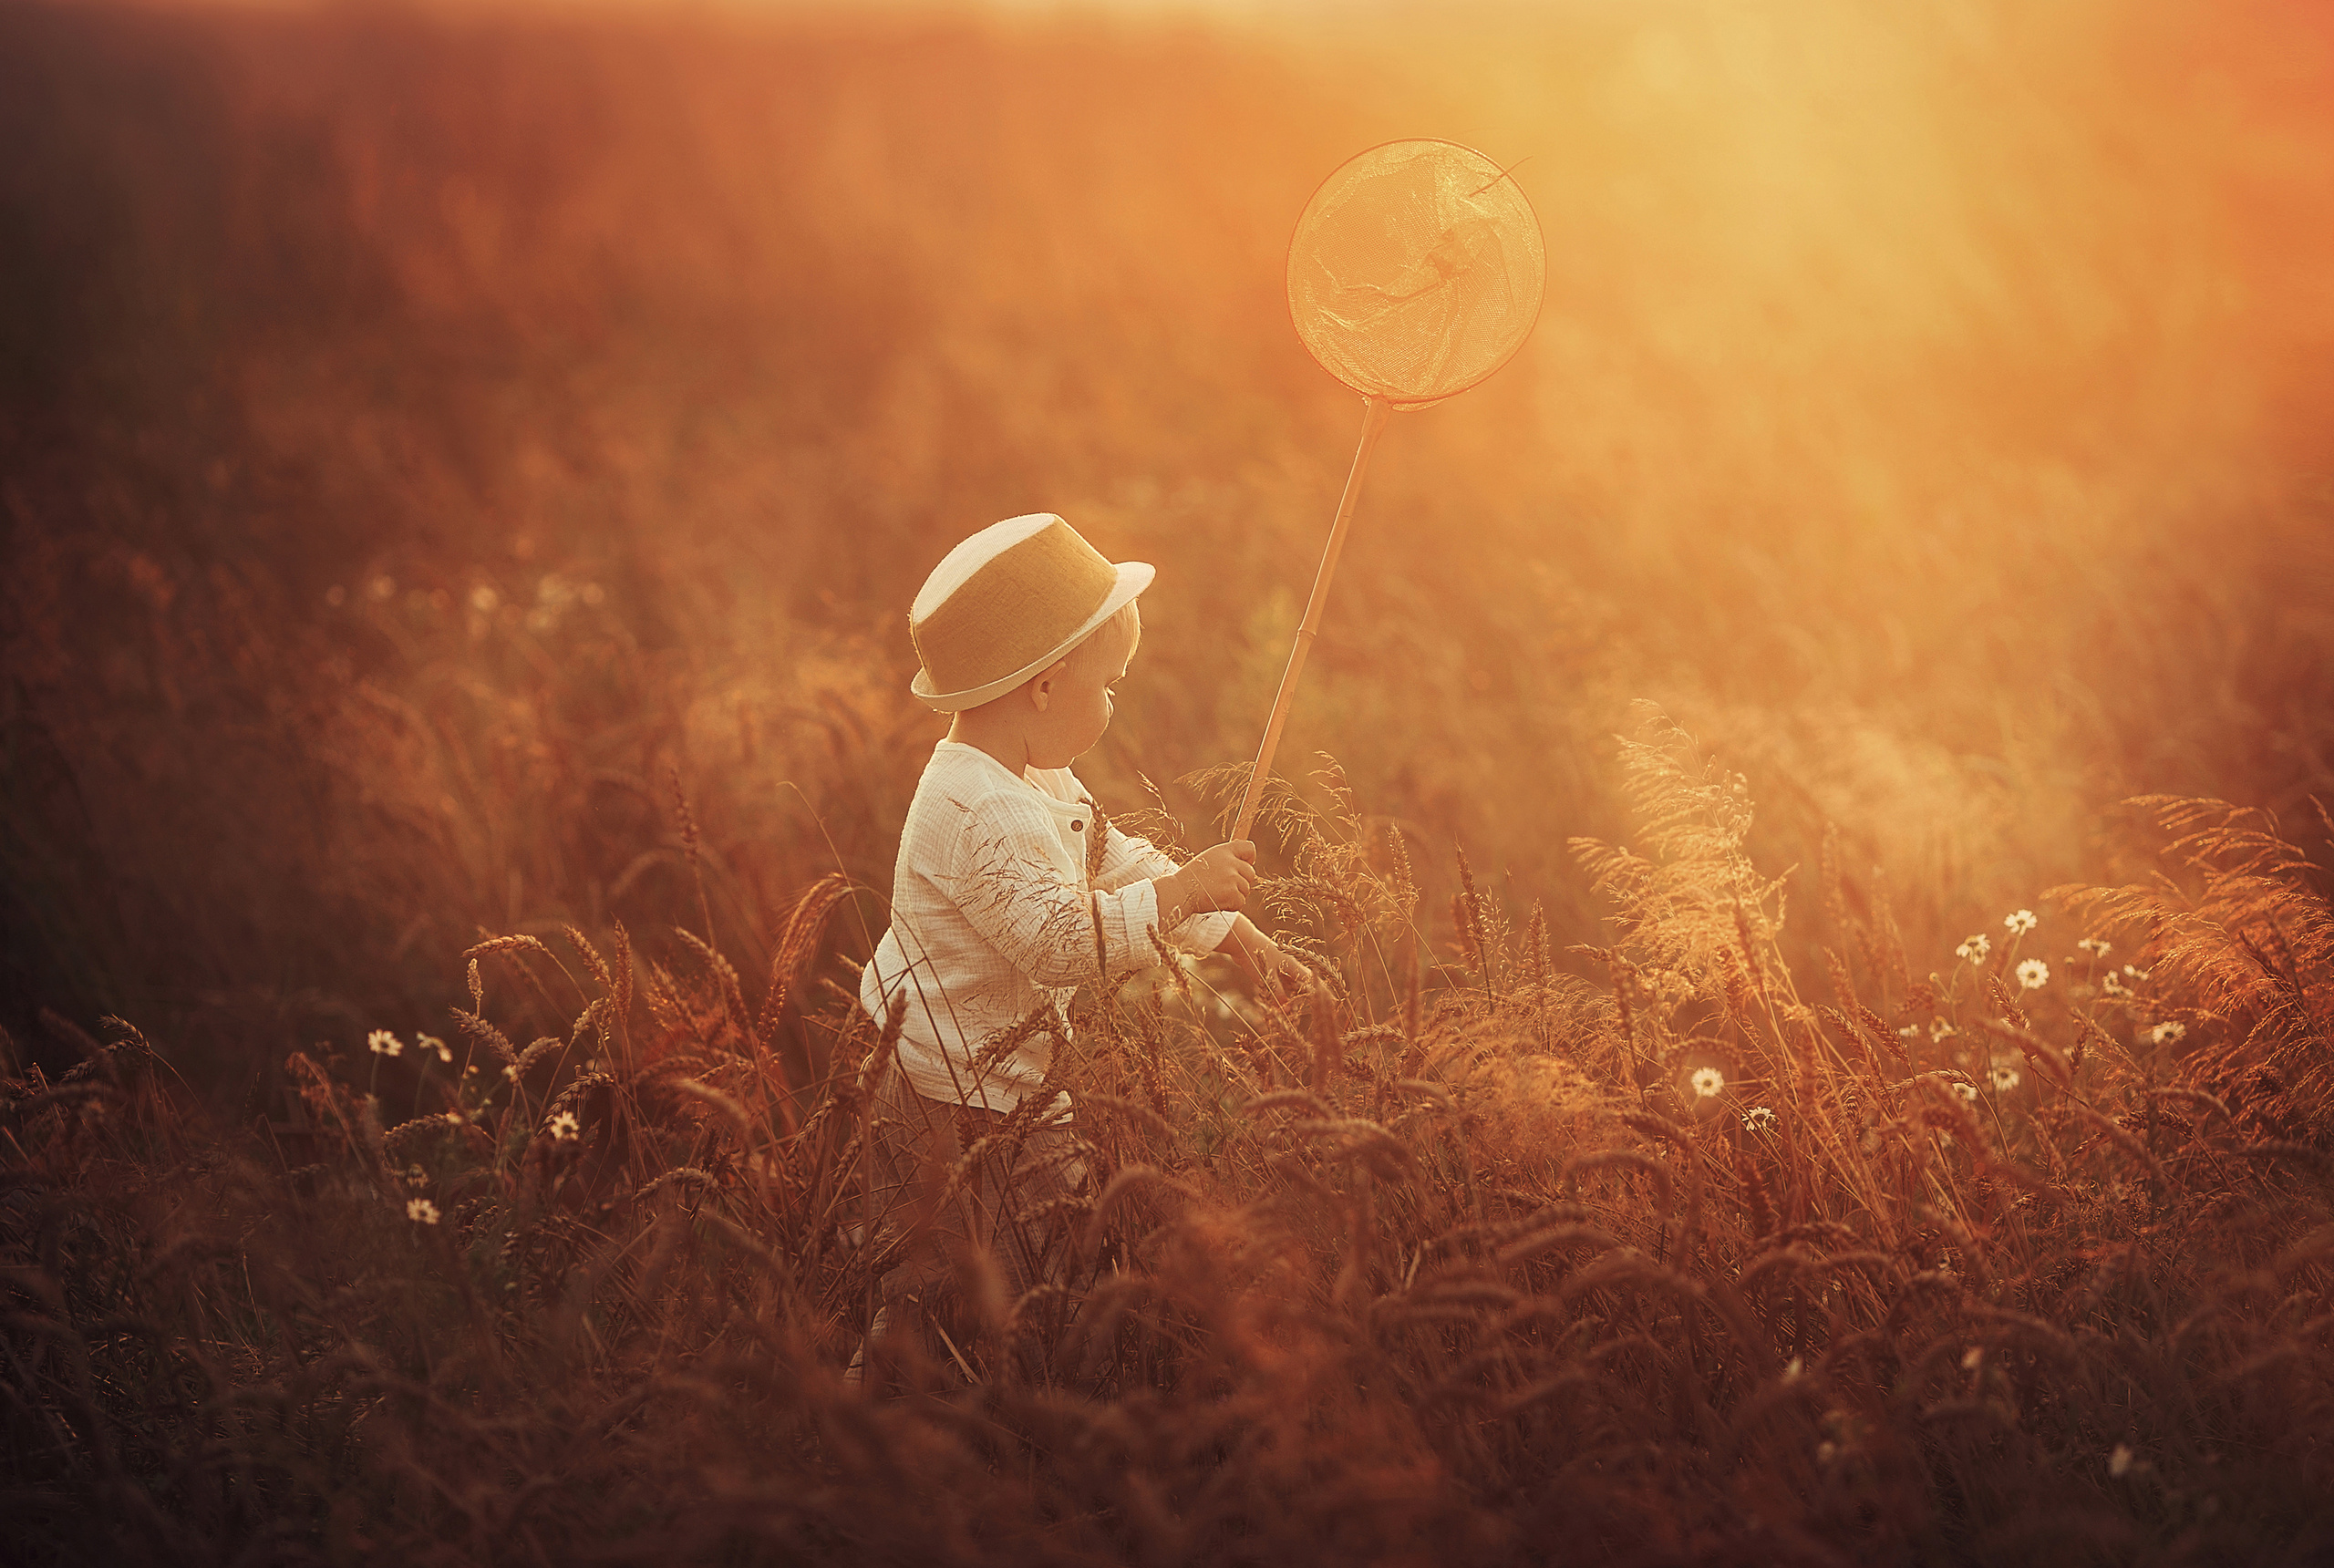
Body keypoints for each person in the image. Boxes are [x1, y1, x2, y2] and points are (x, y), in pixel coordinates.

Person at [851, 512, 1306, 1382]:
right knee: (935, 1285)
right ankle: (884, 1418)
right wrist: (1183, 892)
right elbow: (1060, 943)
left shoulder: (1031, 773)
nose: (1113, 703)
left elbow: (1109, 856)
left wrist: (1226, 925)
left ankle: (1001, 1395)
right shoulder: (977, 809)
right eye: (1109, 685)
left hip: (1011, 1083)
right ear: (1048, 687)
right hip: (939, 1093)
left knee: (1031, 1271)